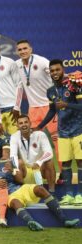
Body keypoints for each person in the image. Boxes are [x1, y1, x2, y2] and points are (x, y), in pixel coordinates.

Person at [0, 142, 79, 231]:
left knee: (40, 189)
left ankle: (65, 220)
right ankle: (31, 222)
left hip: (21, 188)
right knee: (15, 203)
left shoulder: (7, 163)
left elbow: (21, 180)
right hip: (7, 195)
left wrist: (13, 170)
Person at [37, 59, 82, 205]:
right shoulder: (50, 91)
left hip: (78, 130)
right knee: (66, 164)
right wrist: (40, 126)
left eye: (57, 70)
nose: (55, 73)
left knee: (80, 163)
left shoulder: (74, 84)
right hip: (62, 132)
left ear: (63, 70)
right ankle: (69, 195)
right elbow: (52, 111)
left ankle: (80, 195)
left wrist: (66, 104)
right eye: (52, 71)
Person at [13, 40, 59, 166]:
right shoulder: (17, 65)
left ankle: (61, 173)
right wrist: (16, 106)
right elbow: (19, 86)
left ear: (31, 49)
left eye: (25, 48)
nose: (23, 51)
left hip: (49, 107)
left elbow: (57, 75)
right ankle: (37, 173)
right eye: (20, 49)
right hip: (33, 109)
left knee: (56, 140)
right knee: (33, 142)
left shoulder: (42, 61)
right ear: (17, 52)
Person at [10, 115, 56, 195]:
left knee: (49, 162)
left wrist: (38, 162)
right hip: (26, 171)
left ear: (30, 123)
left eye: (26, 122)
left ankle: (52, 192)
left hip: (40, 169)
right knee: (16, 164)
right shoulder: (14, 136)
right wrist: (15, 168)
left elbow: (49, 152)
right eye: (20, 123)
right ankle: (22, 191)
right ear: (17, 126)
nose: (24, 125)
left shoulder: (40, 135)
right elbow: (13, 155)